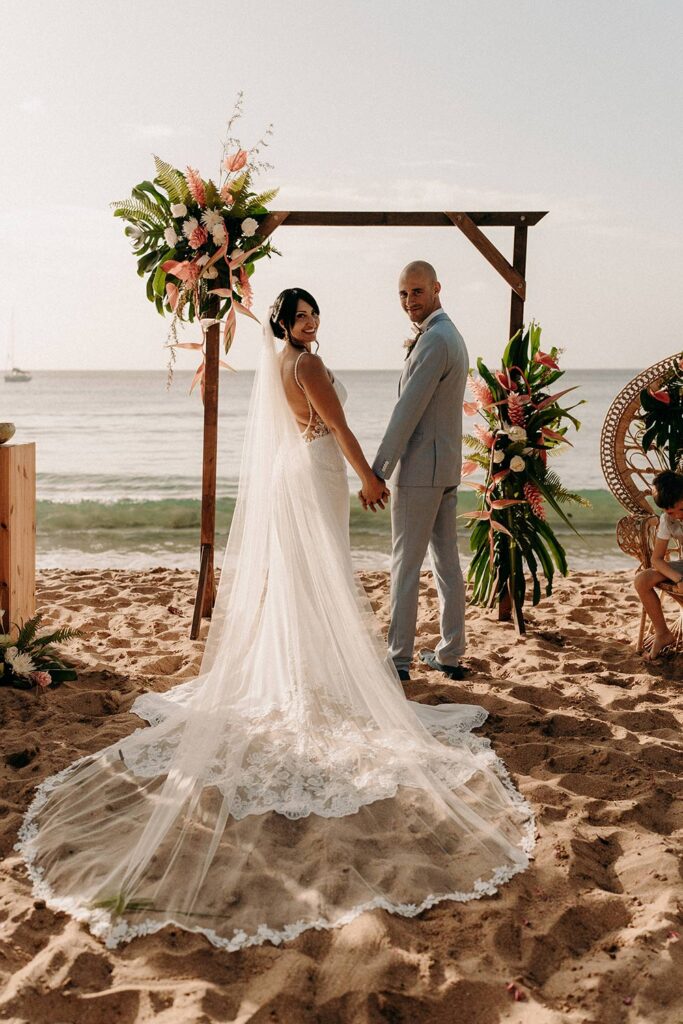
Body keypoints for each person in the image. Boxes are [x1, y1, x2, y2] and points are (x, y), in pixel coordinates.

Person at [16, 288, 533, 952]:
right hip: (320, 470)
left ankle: (304, 668)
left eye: (314, 312)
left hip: (297, 469)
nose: (311, 322)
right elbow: (339, 427)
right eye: (300, 317)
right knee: (323, 576)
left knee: (303, 581)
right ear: (284, 325)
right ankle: (319, 676)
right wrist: (369, 479)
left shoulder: (284, 364)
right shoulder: (308, 365)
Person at [368, 261, 468, 683]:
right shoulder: (450, 335)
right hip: (444, 467)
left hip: (420, 472)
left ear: (436, 288)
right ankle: (450, 654)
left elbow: (406, 412)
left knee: (405, 566)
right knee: (447, 564)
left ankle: (398, 660)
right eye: (404, 294)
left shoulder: (435, 341)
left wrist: (377, 471)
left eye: (417, 292)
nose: (410, 301)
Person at [634, 469, 683, 660]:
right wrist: (678, 578)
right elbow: (656, 559)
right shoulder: (667, 519)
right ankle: (663, 634)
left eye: (682, 509)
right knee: (642, 580)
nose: (678, 516)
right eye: (671, 512)